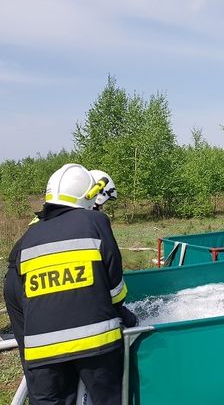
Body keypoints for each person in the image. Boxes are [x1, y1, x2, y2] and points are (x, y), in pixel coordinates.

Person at [3, 163, 137, 405]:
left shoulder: (31, 235)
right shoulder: (95, 221)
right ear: (90, 195)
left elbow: (27, 292)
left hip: (40, 347)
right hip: (95, 342)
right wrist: (125, 316)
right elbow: (115, 288)